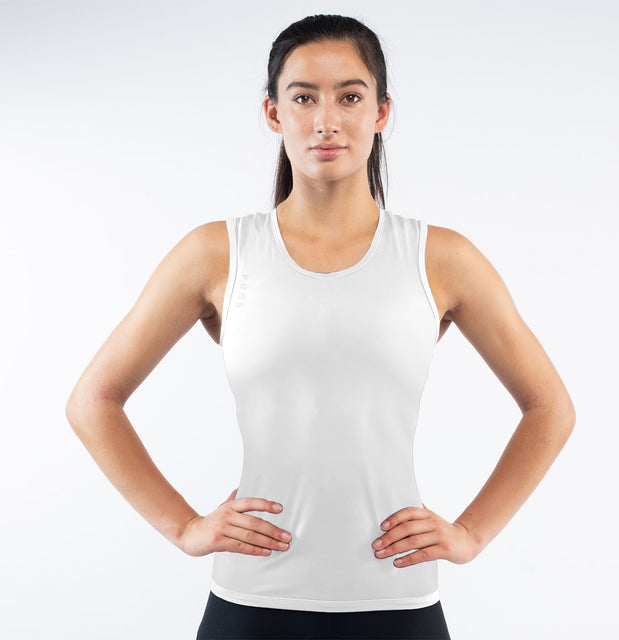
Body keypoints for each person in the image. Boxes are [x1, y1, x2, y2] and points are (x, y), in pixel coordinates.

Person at [65, 13, 576, 640]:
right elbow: (94, 400)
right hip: (250, 603)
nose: (326, 120)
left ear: (382, 112)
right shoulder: (218, 253)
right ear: (274, 113)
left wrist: (472, 533)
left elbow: (550, 407)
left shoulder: (441, 259)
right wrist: (184, 526)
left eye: (350, 97)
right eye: (303, 97)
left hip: (398, 603)